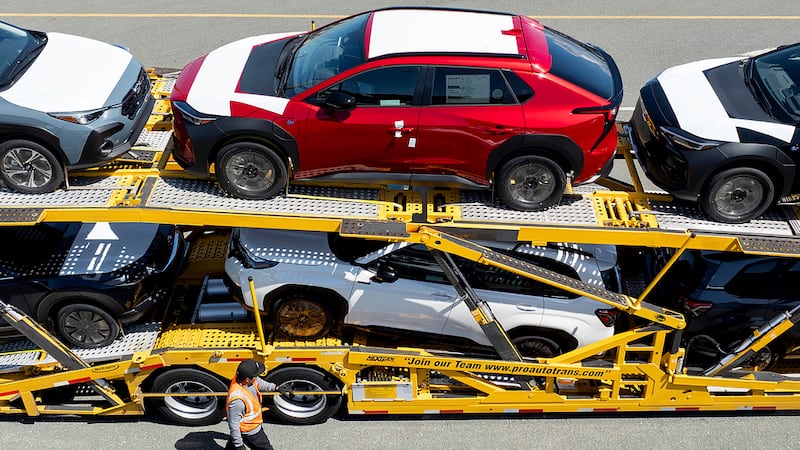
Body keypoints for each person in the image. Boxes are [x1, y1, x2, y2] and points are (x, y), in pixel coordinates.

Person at [226, 359, 289, 450]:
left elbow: (258, 382)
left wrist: (276, 387)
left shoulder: (242, 378)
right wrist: (239, 445)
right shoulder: (237, 401)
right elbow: (234, 424)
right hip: (250, 431)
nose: (256, 378)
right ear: (247, 379)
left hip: (250, 426)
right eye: (255, 376)